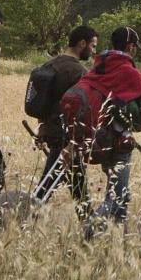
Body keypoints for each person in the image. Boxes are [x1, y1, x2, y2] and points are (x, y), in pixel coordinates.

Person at [29, 25, 97, 228]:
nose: (93, 51)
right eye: (92, 46)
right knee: (46, 186)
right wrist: (75, 139)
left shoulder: (51, 64)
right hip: (67, 137)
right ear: (82, 44)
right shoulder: (77, 71)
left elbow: (44, 103)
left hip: (52, 131)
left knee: (76, 185)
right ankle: (26, 221)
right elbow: (82, 107)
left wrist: (42, 129)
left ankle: (89, 226)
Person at [80, 27, 141, 223]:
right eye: (135, 47)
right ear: (130, 46)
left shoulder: (99, 66)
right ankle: (89, 229)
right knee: (117, 197)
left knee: (120, 193)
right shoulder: (129, 71)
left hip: (99, 136)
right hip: (119, 141)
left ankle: (120, 239)